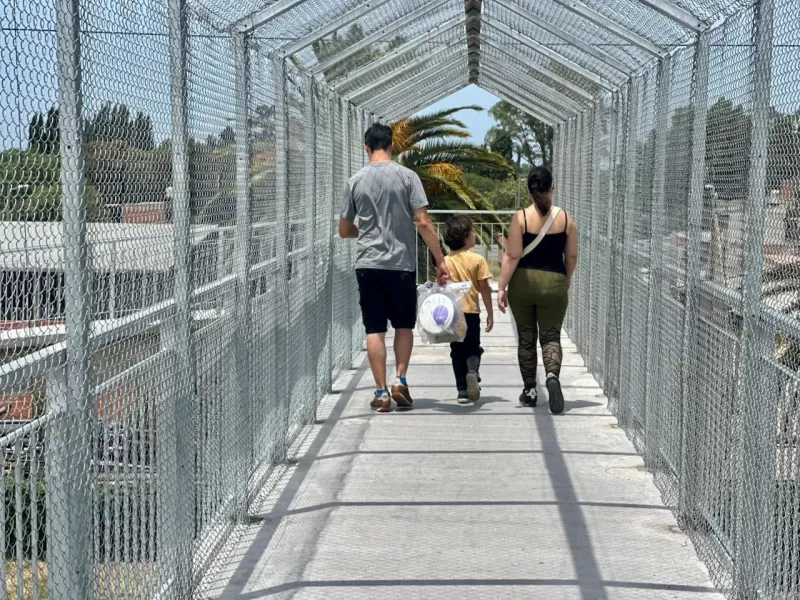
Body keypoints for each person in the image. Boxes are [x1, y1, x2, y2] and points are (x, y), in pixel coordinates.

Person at [339, 122, 449, 413]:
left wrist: (363, 232)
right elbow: (423, 223)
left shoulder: (355, 181)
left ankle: (381, 392)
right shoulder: (408, 176)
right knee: (403, 325)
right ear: (391, 146)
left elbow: (344, 229)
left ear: (366, 147)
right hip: (401, 264)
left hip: (368, 265)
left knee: (374, 329)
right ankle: (400, 379)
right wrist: (440, 260)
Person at [497, 166, 578, 414]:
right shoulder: (566, 218)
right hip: (553, 282)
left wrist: (501, 287)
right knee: (551, 336)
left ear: (530, 191)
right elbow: (572, 254)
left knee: (526, 337)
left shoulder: (520, 218)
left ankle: (530, 391)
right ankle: (552, 375)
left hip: (522, 283)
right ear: (552, 188)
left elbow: (511, 256)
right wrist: (566, 278)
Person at [442, 216, 494, 404]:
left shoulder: (445, 261)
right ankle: (472, 371)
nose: (475, 235)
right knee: (473, 347)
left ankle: (462, 390)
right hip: (471, 312)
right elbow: (484, 289)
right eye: (472, 231)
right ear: (465, 237)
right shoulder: (478, 259)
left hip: (452, 314)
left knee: (456, 350)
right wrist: (490, 312)